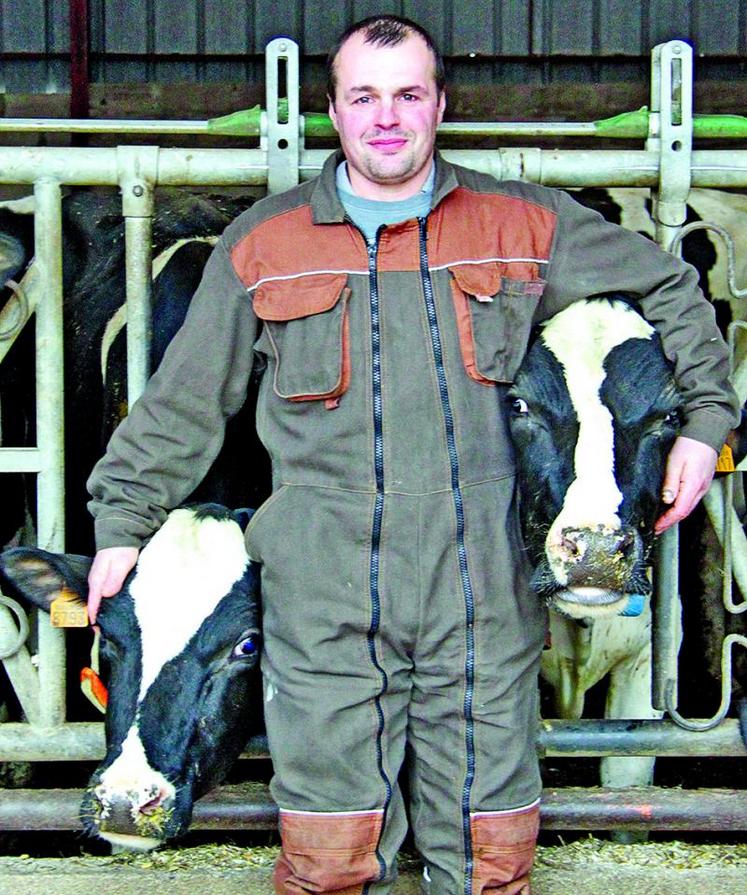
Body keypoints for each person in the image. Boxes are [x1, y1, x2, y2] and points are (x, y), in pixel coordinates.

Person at [86, 15, 739, 894]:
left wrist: (704, 419)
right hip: (324, 593)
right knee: (328, 853)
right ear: (332, 112)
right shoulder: (263, 244)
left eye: (407, 95)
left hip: (480, 589)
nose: (386, 117)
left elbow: (669, 285)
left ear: (439, 105)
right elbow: (184, 405)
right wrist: (121, 525)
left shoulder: (523, 223)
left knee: (487, 856)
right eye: (363, 97)